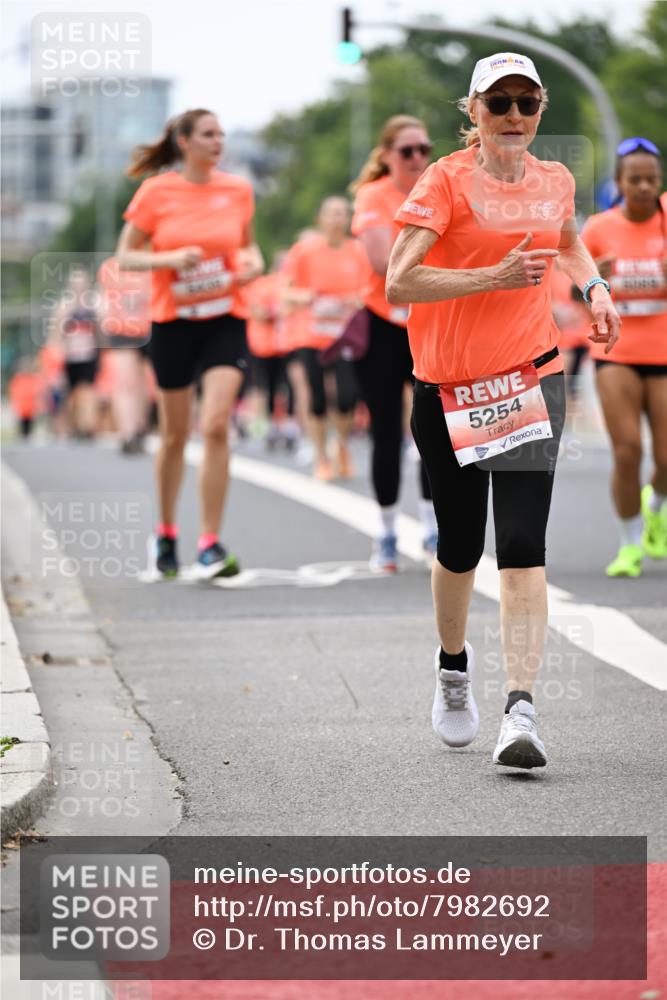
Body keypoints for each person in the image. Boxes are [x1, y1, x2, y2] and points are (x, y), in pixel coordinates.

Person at [387, 53, 620, 768]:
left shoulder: (552, 179)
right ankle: (453, 670)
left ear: (540, 109)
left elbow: (568, 244)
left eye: (525, 103)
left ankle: (520, 711)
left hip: (528, 380)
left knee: (521, 547)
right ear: (473, 113)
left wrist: (595, 289)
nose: (513, 116)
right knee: (460, 547)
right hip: (448, 392)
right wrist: (489, 276)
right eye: (498, 104)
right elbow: (399, 281)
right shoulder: (445, 180)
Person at [117, 108, 263, 579]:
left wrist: (252, 266)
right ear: (184, 142)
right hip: (174, 321)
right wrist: (171, 257)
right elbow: (125, 256)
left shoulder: (238, 189)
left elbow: (249, 246)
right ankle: (164, 534)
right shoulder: (156, 192)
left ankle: (209, 543)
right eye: (208, 134)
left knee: (217, 424)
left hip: (225, 318)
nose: (218, 141)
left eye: (221, 133)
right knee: (175, 435)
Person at [351, 116, 436, 570]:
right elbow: (383, 261)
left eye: (424, 149)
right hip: (384, 324)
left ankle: (431, 527)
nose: (417, 158)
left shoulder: (438, 188)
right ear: (387, 156)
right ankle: (385, 532)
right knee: (386, 432)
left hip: (431, 321)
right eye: (407, 151)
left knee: (432, 431)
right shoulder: (373, 195)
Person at [581, 138, 667, 577]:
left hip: (664, 351)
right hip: (616, 352)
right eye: (634, 179)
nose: (644, 187)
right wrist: (597, 283)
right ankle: (630, 544)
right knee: (629, 450)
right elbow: (574, 297)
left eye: (652, 178)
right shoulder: (597, 229)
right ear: (618, 183)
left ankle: (657, 507)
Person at [283, 197, 365, 480]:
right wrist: (305, 296)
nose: (337, 219)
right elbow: (287, 293)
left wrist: (356, 300)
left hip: (344, 337)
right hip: (312, 334)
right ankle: (321, 456)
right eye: (331, 214)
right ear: (320, 219)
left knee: (346, 396)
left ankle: (341, 445)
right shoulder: (305, 251)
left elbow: (369, 290)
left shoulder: (358, 251)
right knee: (317, 398)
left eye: (342, 214)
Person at [97, 256, 153, 454]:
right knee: (125, 382)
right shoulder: (110, 267)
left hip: (148, 327)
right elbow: (103, 299)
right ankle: (127, 432)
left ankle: (140, 426)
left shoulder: (151, 264)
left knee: (143, 383)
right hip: (121, 329)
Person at [50, 266, 100, 439]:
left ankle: (87, 426)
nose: (80, 287)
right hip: (69, 357)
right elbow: (56, 335)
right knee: (70, 394)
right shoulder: (64, 306)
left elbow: (101, 332)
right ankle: (73, 425)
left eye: (83, 283)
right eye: (76, 283)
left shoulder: (94, 305)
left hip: (88, 356)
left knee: (87, 390)